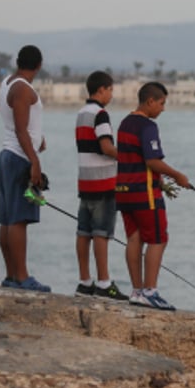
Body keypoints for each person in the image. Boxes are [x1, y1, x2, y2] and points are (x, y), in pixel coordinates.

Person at [116, 81, 190, 310]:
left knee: (134, 239)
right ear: (150, 102)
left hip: (123, 192)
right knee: (158, 239)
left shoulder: (124, 123)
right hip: (144, 193)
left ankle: (137, 291)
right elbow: (152, 160)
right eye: (161, 103)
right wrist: (178, 176)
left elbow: (134, 158)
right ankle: (150, 290)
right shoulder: (147, 126)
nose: (163, 108)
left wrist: (159, 179)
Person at [0, 45, 51, 291]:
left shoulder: (8, 82)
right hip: (19, 157)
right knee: (18, 220)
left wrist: (38, 140)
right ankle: (21, 276)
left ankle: (11, 275)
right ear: (39, 65)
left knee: (8, 219)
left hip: (10, 155)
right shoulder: (22, 89)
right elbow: (20, 129)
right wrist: (35, 161)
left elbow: (21, 127)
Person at [74, 71, 127, 300]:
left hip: (85, 180)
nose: (111, 95)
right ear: (102, 90)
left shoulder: (81, 113)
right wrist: (127, 157)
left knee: (83, 232)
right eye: (111, 90)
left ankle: (85, 282)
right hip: (103, 182)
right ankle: (104, 283)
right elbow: (106, 147)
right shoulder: (101, 114)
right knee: (101, 233)